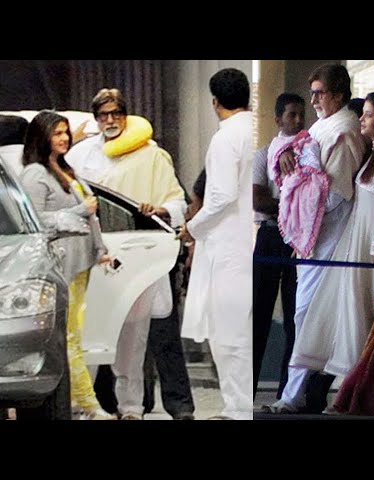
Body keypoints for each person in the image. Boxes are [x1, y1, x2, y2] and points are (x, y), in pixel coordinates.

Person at [66, 88, 194, 420]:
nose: (110, 120)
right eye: (103, 115)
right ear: (96, 119)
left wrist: (160, 209)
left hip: (137, 254)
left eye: (116, 114)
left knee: (133, 339)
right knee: (88, 335)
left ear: (125, 115)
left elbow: (177, 201)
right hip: (91, 256)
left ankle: (132, 407)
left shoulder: (151, 154)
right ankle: (84, 405)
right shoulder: (79, 155)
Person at [289, 91, 374, 414]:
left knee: (372, 321)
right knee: (354, 318)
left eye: (368, 114)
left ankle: (361, 396)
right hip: (358, 249)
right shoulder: (373, 155)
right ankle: (352, 394)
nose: (362, 119)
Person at [266, 64, 366, 414]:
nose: (313, 101)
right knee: (305, 315)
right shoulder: (324, 126)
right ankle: (300, 394)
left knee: (311, 315)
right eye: (313, 93)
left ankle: (299, 395)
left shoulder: (345, 130)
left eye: (320, 93)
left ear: (338, 94)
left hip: (329, 237)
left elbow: (335, 193)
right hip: (312, 238)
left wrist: (304, 198)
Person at [19, 110, 116, 420]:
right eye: (57, 133)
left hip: (79, 264)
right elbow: (33, 221)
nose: (64, 138)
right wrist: (78, 210)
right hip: (59, 267)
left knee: (75, 335)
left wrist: (99, 249)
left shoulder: (63, 169)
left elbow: (91, 217)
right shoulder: (35, 174)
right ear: (42, 136)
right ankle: (88, 403)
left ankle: (77, 401)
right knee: (69, 338)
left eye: (65, 132)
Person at [178, 68, 254, 420]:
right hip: (245, 243)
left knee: (228, 334)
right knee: (240, 330)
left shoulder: (226, 138)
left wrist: (192, 227)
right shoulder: (254, 130)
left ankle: (238, 408)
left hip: (227, 247)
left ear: (215, 102)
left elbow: (221, 195)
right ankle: (240, 406)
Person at [253, 93, 304, 399]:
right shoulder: (263, 155)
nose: (298, 120)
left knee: (295, 317)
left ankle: (287, 393)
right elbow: (257, 199)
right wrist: (293, 205)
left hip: (297, 239)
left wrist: (290, 206)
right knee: (259, 314)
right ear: (278, 119)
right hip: (270, 236)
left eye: (301, 115)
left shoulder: (309, 152)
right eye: (291, 115)